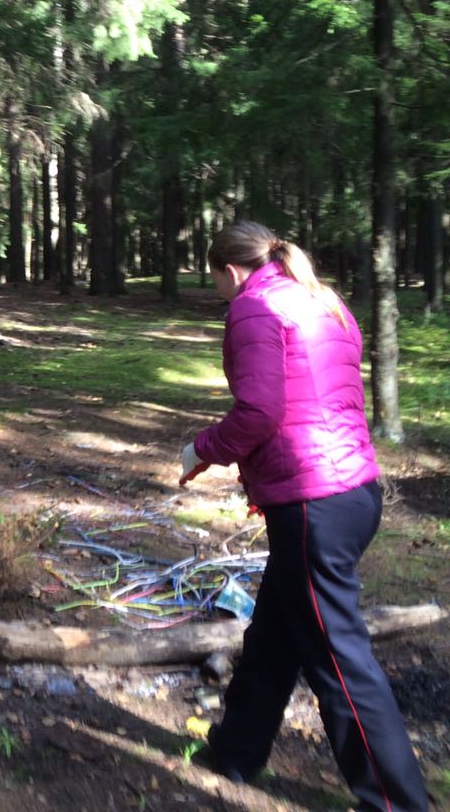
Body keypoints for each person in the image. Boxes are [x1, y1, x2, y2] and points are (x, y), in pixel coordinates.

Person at [180, 221, 427, 812]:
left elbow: (260, 411)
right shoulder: (318, 297)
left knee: (338, 659)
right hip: (352, 492)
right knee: (274, 634)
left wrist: (202, 449)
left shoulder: (253, 305)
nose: (217, 289)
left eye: (214, 278)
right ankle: (235, 752)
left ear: (229, 270)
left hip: (314, 504)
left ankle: (396, 802)